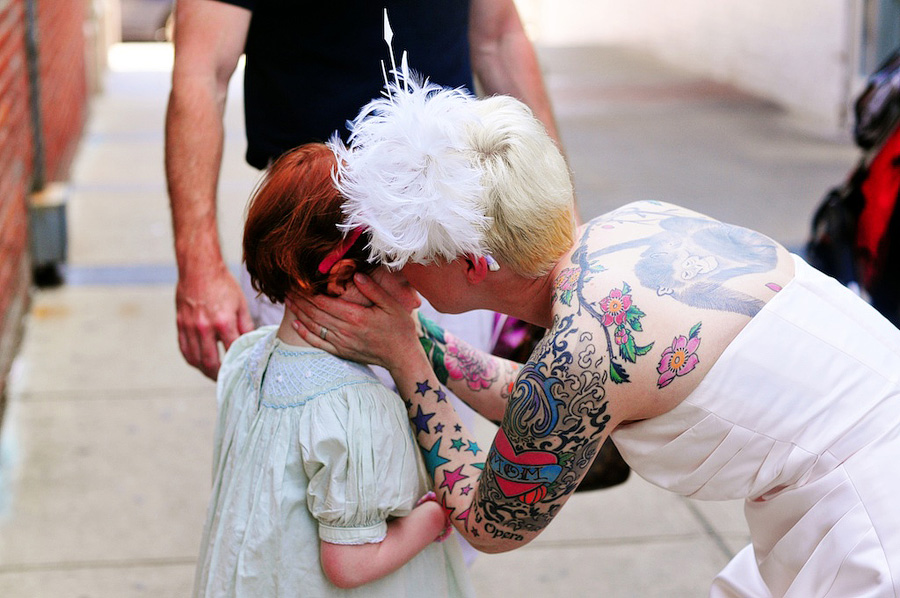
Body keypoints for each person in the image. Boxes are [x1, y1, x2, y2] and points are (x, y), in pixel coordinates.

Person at [290, 77, 900, 596]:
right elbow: (549, 406)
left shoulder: (586, 351)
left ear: (474, 263)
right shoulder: (632, 226)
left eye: (403, 253)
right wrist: (422, 338)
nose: (392, 268)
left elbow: (487, 522)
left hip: (870, 518)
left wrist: (409, 366)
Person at [164, 0, 561, 380]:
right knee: (314, 434)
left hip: (453, 229)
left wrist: (557, 209)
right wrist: (199, 266)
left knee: (448, 428)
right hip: (317, 236)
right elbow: (202, 71)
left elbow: (499, 36)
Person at [192, 143, 475, 597]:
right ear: (343, 278)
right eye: (404, 280)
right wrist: (437, 515)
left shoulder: (247, 359)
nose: (417, 301)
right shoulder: (357, 407)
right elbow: (351, 562)